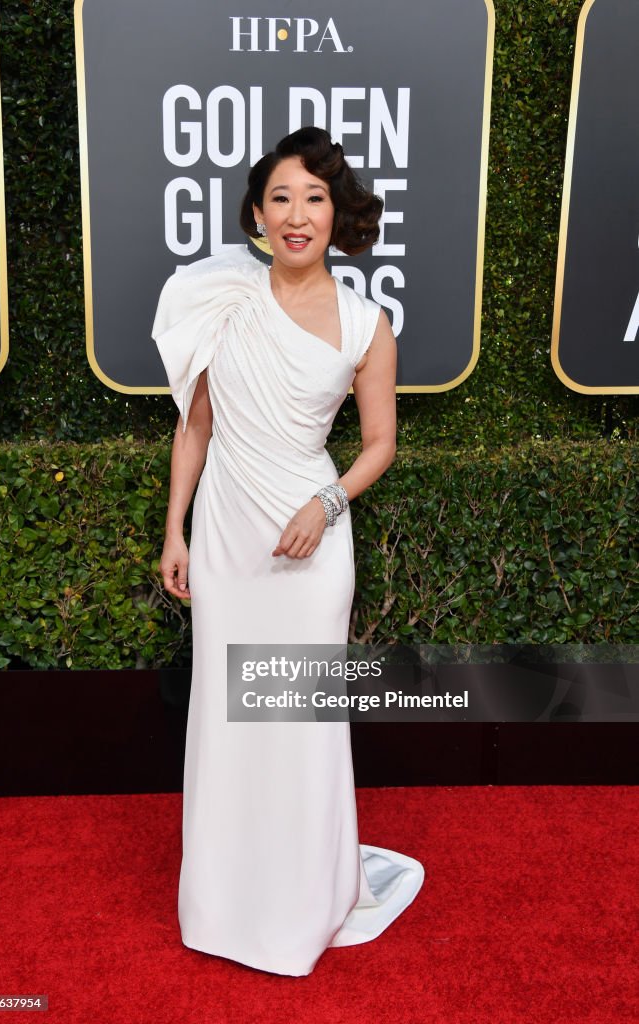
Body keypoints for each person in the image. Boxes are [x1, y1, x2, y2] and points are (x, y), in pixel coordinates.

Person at [152, 126, 424, 976]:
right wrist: (175, 528)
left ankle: (303, 897)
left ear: (335, 213)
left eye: (314, 198)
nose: (297, 215)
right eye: (281, 198)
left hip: (310, 544)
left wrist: (326, 499)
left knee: (299, 722)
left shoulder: (365, 323)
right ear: (257, 214)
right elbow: (195, 428)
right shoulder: (221, 300)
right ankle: (226, 900)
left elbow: (378, 443)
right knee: (227, 718)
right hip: (229, 538)